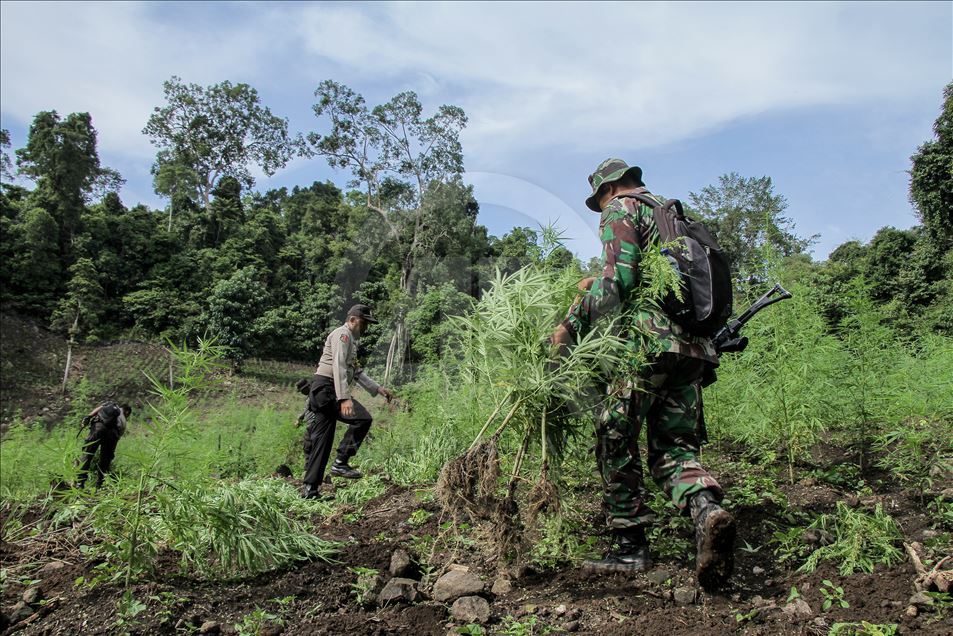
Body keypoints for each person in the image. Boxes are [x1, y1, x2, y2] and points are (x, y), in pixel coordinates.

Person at [551, 158, 735, 590]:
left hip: (646, 348)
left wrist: (570, 323)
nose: (601, 208)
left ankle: (630, 546)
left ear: (608, 189)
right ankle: (708, 511)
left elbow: (619, 280)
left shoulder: (622, 208)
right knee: (674, 445)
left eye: (599, 200)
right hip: (692, 350)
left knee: (614, 432)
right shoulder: (670, 214)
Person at [301, 304, 394, 499]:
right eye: (364, 323)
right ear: (352, 320)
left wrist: (377, 388)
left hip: (323, 390)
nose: (366, 327)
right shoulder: (342, 335)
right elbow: (339, 366)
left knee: (321, 441)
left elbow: (355, 371)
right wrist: (344, 398)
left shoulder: (351, 340)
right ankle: (341, 462)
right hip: (328, 389)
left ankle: (310, 490)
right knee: (362, 419)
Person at [77, 402, 132, 488]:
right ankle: (99, 484)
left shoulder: (111, 405)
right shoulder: (124, 421)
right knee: (105, 461)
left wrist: (88, 417)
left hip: (98, 428)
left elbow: (97, 410)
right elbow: (118, 437)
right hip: (112, 435)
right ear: (127, 412)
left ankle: (80, 483)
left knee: (87, 455)